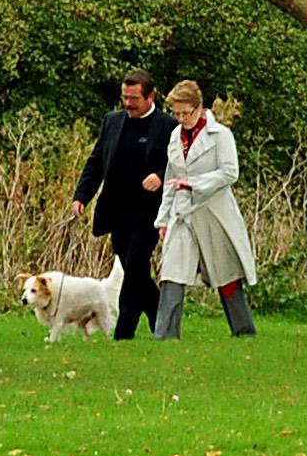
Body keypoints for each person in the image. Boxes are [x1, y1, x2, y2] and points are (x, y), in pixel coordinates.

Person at [69, 68, 174, 340]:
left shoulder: (167, 126)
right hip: (117, 211)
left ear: (151, 97)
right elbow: (96, 162)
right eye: (124, 98)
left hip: (150, 212)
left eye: (134, 99)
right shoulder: (112, 121)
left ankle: (124, 332)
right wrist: (81, 196)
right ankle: (161, 315)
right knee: (134, 270)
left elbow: (180, 165)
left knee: (136, 265)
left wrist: (161, 177)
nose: (127, 104)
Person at [150, 78, 257, 338]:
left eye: (185, 113)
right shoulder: (175, 136)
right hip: (182, 213)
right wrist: (162, 220)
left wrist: (194, 183)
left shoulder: (221, 135)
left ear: (199, 108)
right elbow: (170, 178)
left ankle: (243, 332)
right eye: (176, 113)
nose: (181, 119)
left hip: (214, 214)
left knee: (226, 275)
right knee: (172, 272)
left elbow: (230, 173)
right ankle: (165, 335)